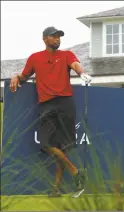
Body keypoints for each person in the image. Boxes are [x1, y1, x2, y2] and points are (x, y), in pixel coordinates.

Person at [9, 26, 92, 198]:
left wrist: (81, 72)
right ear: (45, 39)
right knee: (47, 144)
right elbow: (24, 76)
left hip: (65, 104)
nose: (58, 39)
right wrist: (16, 76)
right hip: (46, 105)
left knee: (61, 148)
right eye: (54, 37)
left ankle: (56, 189)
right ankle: (76, 172)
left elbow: (75, 64)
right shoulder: (35, 58)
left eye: (59, 37)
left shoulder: (66, 54)